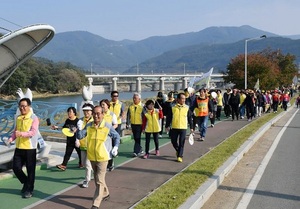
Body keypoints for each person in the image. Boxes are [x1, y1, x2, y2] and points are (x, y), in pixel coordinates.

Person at [77, 105, 120, 209]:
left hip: (103, 157)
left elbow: (117, 136)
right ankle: (106, 193)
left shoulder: (107, 126)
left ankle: (95, 204)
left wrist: (116, 147)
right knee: (97, 179)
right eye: (94, 113)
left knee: (99, 180)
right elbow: (80, 136)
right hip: (92, 156)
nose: (96, 116)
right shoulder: (89, 126)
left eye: (98, 113)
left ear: (102, 114)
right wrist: (79, 128)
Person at [6, 98, 39, 198]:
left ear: (29, 107)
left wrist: (22, 134)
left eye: (24, 106)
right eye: (20, 106)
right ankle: (26, 182)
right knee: (15, 168)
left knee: (30, 170)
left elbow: (33, 132)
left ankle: (29, 190)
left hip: (30, 148)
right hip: (19, 148)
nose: (22, 108)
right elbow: (16, 131)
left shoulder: (34, 118)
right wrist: (11, 139)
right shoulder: (19, 118)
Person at [165, 93, 194, 163]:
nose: (184, 100)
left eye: (184, 99)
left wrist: (191, 127)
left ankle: (180, 156)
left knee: (181, 142)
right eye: (182, 98)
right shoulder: (173, 107)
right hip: (174, 127)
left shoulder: (187, 107)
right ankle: (178, 151)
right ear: (178, 99)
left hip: (183, 127)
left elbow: (190, 118)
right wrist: (167, 126)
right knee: (173, 141)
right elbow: (169, 117)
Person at [54, 107, 82, 171]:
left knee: (80, 152)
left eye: (70, 112)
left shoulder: (78, 121)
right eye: (68, 112)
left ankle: (81, 163)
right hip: (69, 139)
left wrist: (77, 138)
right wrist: (56, 127)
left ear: (74, 113)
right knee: (67, 153)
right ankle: (63, 165)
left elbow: (80, 130)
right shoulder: (67, 120)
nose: (69, 113)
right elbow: (64, 128)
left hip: (76, 140)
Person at [76, 103, 94, 188]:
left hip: (92, 145)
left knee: (87, 164)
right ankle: (94, 171)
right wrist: (77, 140)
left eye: (88, 111)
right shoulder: (80, 120)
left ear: (91, 111)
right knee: (83, 163)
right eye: (85, 111)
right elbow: (77, 132)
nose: (86, 112)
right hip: (83, 145)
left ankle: (86, 180)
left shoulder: (94, 120)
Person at [100, 99, 118, 171]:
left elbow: (115, 124)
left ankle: (110, 164)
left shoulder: (111, 114)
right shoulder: (99, 114)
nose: (102, 106)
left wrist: (110, 130)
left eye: (103, 105)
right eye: (101, 105)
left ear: (108, 105)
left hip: (108, 135)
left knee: (108, 149)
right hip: (100, 134)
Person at [126, 92, 145, 157]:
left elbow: (145, 117)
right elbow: (128, 115)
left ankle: (135, 151)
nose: (134, 99)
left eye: (136, 98)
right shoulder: (131, 106)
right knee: (136, 138)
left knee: (137, 138)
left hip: (140, 125)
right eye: (133, 98)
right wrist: (127, 123)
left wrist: (144, 126)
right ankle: (140, 149)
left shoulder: (142, 106)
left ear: (139, 99)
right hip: (133, 124)